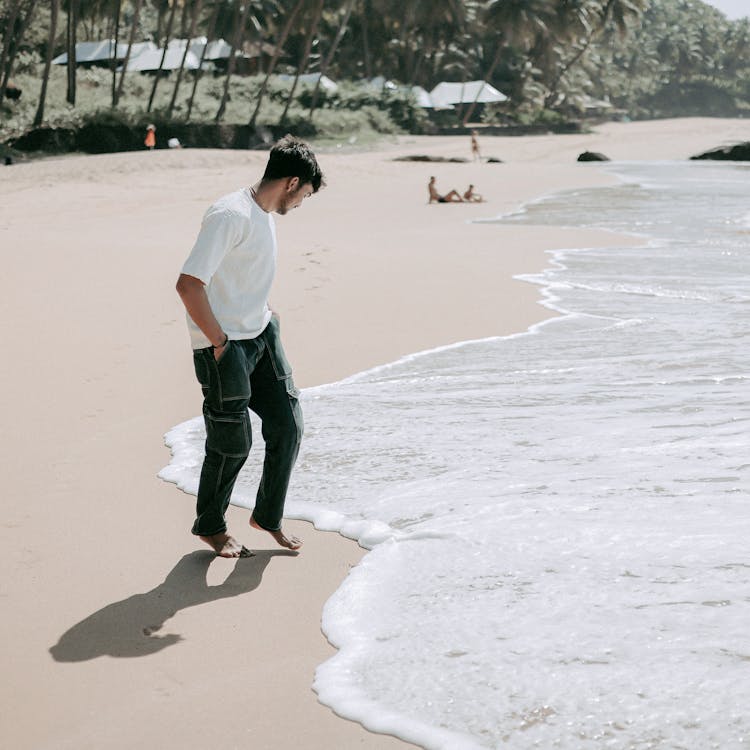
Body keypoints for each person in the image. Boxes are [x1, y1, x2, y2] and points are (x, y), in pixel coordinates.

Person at [175, 134, 324, 558]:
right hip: (225, 347)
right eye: (305, 196)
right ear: (292, 182)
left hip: (261, 335)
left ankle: (268, 516)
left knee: (288, 426)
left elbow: (242, 275)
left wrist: (266, 314)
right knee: (232, 442)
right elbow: (189, 285)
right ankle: (211, 525)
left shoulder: (264, 213)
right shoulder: (229, 215)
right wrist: (220, 343)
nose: (299, 205)